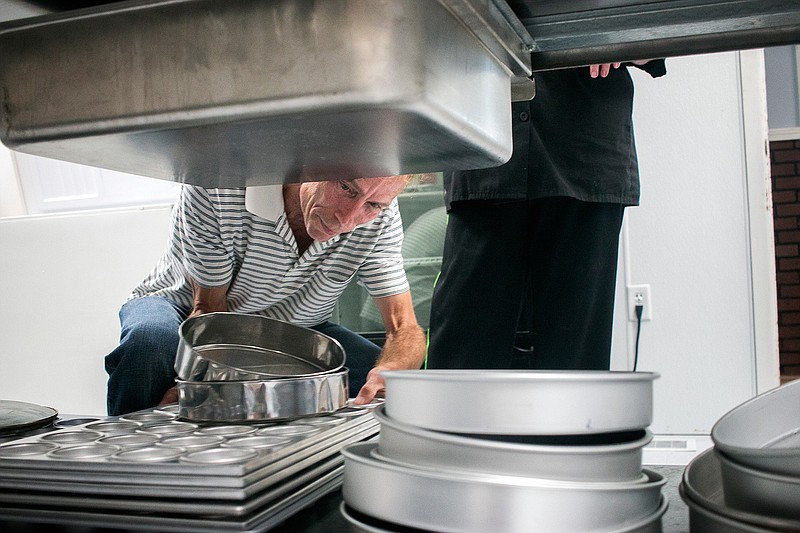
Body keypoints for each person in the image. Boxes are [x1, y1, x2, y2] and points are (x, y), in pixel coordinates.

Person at [105, 175, 428, 416]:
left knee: (394, 389)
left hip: (293, 329)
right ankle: (125, 461)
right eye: (345, 187)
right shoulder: (218, 184)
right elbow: (209, 312)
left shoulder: (381, 217)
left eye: (372, 205)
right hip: (185, 310)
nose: (347, 220)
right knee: (147, 344)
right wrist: (195, 388)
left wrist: (393, 370)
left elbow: (405, 329)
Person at [426, 61, 667, 371]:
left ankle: (575, 421)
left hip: (582, 157)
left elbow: (652, 43)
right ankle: (451, 420)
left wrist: (616, 38)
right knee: (463, 347)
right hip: (485, 152)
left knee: (575, 357)